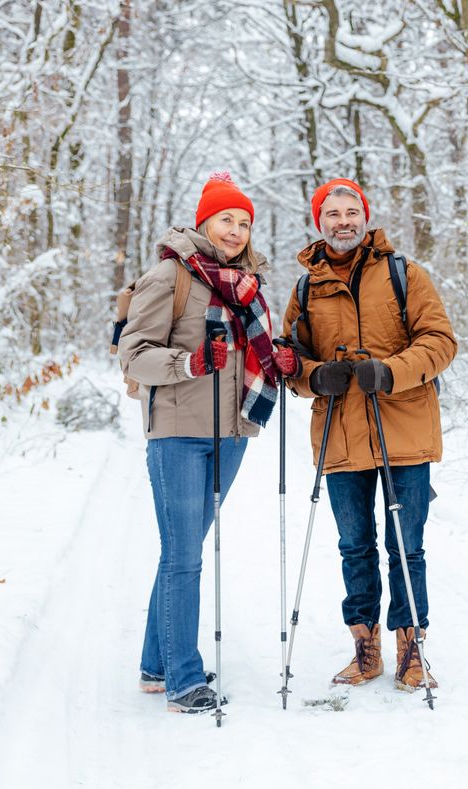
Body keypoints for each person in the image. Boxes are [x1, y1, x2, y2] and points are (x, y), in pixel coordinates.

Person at [118, 172, 297, 713]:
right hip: (178, 433)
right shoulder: (170, 277)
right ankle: (184, 680)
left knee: (184, 550)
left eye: (244, 222)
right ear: (204, 222)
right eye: (227, 219)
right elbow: (133, 353)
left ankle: (157, 664)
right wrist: (189, 362)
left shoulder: (248, 286)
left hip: (233, 433)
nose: (237, 230)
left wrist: (279, 361)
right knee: (184, 557)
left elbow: (254, 355)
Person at [278, 178, 456, 692]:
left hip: (403, 426)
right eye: (332, 214)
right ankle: (366, 648)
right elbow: (290, 360)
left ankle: (411, 649)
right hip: (340, 434)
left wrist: (391, 372)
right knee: (354, 546)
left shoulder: (404, 274)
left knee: (406, 546)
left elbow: (441, 341)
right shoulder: (305, 288)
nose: (343, 221)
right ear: (320, 222)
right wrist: (314, 376)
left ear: (365, 215)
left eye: (350, 211)